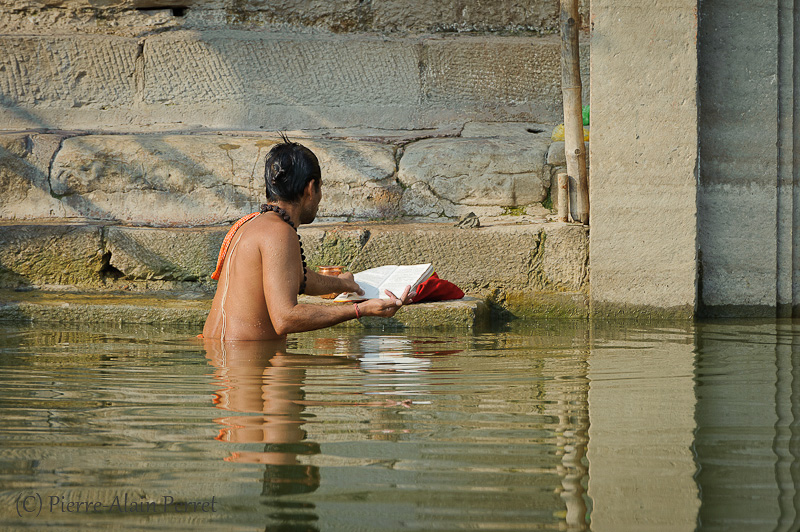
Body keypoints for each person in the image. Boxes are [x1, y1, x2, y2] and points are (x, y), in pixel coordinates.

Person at [202, 136, 412, 341]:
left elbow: (295, 278)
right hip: (249, 363)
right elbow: (285, 319)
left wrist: (343, 284)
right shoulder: (280, 232)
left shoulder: (249, 224)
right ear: (311, 189)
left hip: (222, 360)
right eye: (320, 188)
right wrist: (361, 309)